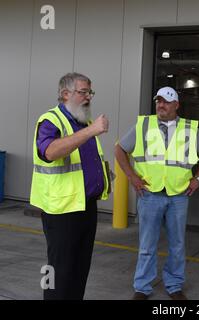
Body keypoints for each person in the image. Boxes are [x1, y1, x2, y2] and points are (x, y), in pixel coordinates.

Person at [114, 86, 199, 300]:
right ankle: (142, 287)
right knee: (147, 245)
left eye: (166, 101)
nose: (161, 105)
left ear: (176, 105)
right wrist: (132, 177)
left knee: (177, 244)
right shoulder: (143, 125)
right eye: (158, 101)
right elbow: (119, 148)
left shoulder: (189, 128)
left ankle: (174, 285)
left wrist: (198, 179)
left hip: (179, 195)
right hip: (150, 194)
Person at [30, 72, 110, 300]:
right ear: (65, 94)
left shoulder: (81, 121)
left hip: (86, 206)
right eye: (83, 92)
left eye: (90, 92)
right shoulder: (51, 120)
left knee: (79, 269)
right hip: (62, 210)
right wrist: (92, 130)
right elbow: (49, 152)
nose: (88, 97)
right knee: (58, 271)